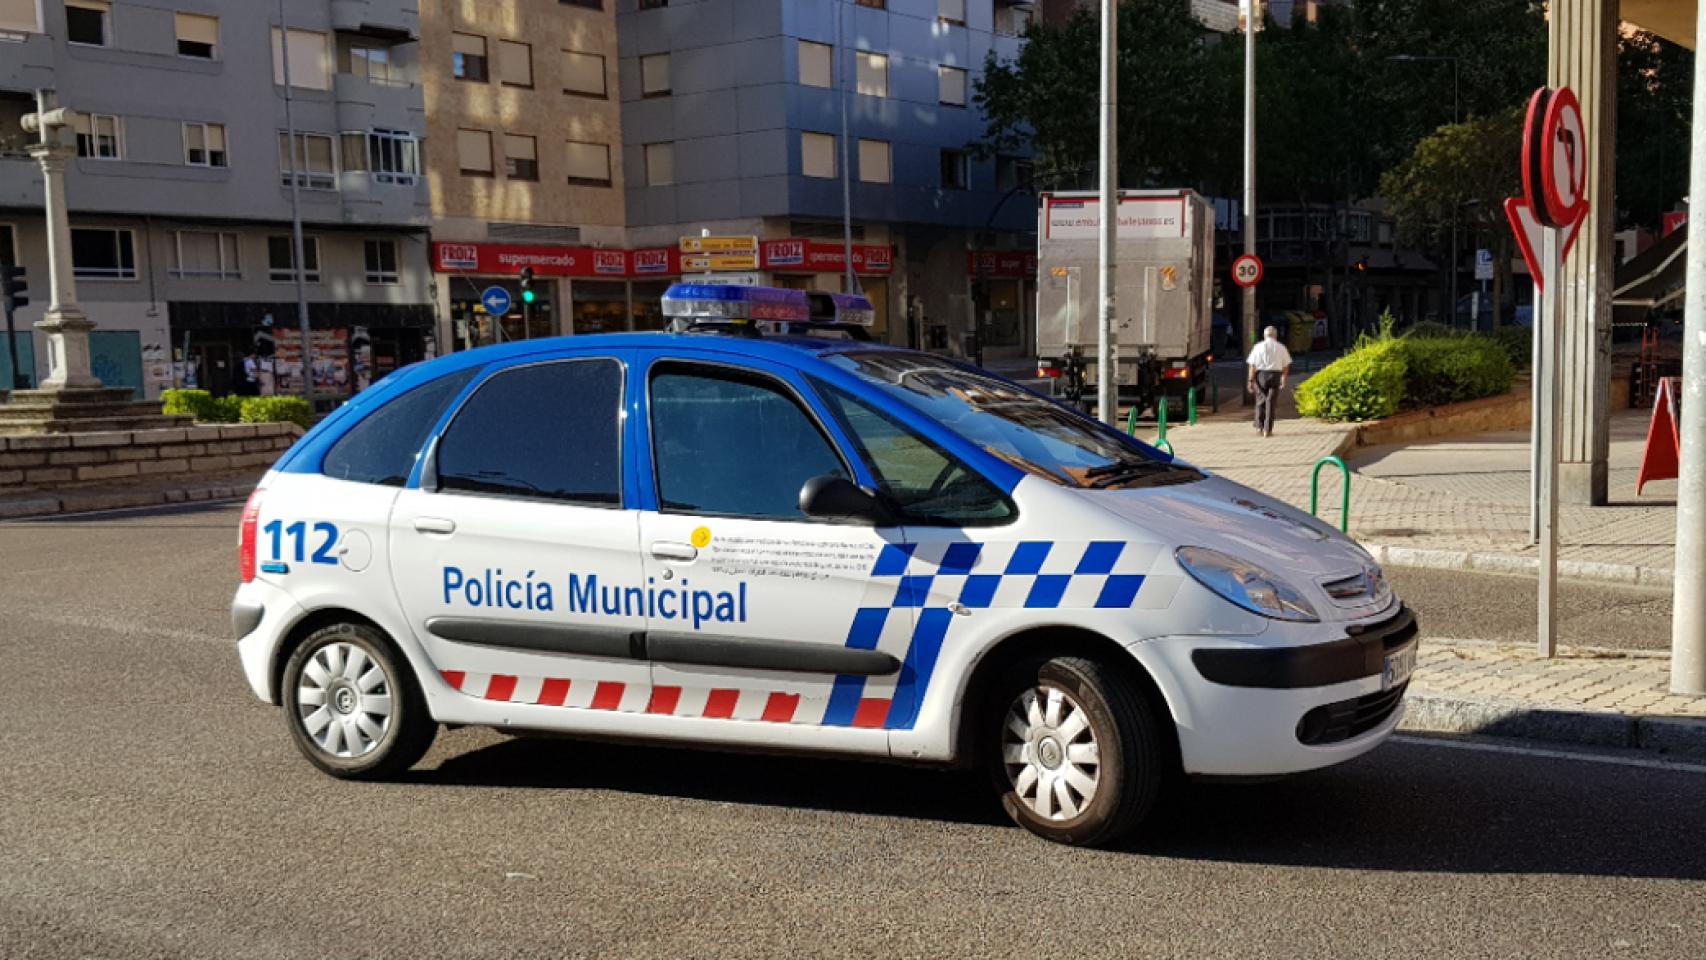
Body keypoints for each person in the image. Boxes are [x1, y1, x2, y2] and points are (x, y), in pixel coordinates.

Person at [1246, 325, 1292, 437]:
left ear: (1264, 335)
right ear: (1275, 336)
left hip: (1261, 375)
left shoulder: (1258, 347)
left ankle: (1259, 427)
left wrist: (1250, 380)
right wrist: (1283, 379)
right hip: (1275, 375)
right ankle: (1268, 429)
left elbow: (1252, 365)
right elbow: (1286, 366)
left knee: (1260, 401)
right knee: (1271, 402)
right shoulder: (1281, 347)